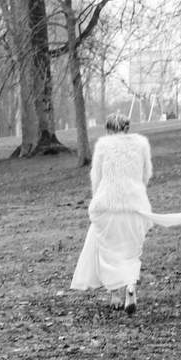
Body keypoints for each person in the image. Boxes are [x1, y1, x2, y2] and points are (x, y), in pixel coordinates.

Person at [70, 113, 154, 314]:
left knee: (109, 250)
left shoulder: (103, 146)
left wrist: (96, 199)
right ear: (127, 128)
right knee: (131, 249)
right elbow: (146, 175)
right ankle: (130, 285)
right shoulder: (141, 144)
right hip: (135, 204)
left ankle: (115, 294)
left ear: (108, 129)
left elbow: (96, 178)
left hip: (108, 204)